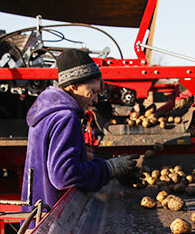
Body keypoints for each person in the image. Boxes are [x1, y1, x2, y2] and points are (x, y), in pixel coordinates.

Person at [21, 48, 135, 210]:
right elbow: (63, 175)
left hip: (36, 209)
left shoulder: (47, 111)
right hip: (53, 214)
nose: (95, 99)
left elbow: (51, 159)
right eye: (92, 91)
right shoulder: (66, 117)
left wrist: (90, 156)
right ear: (73, 86)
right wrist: (109, 168)